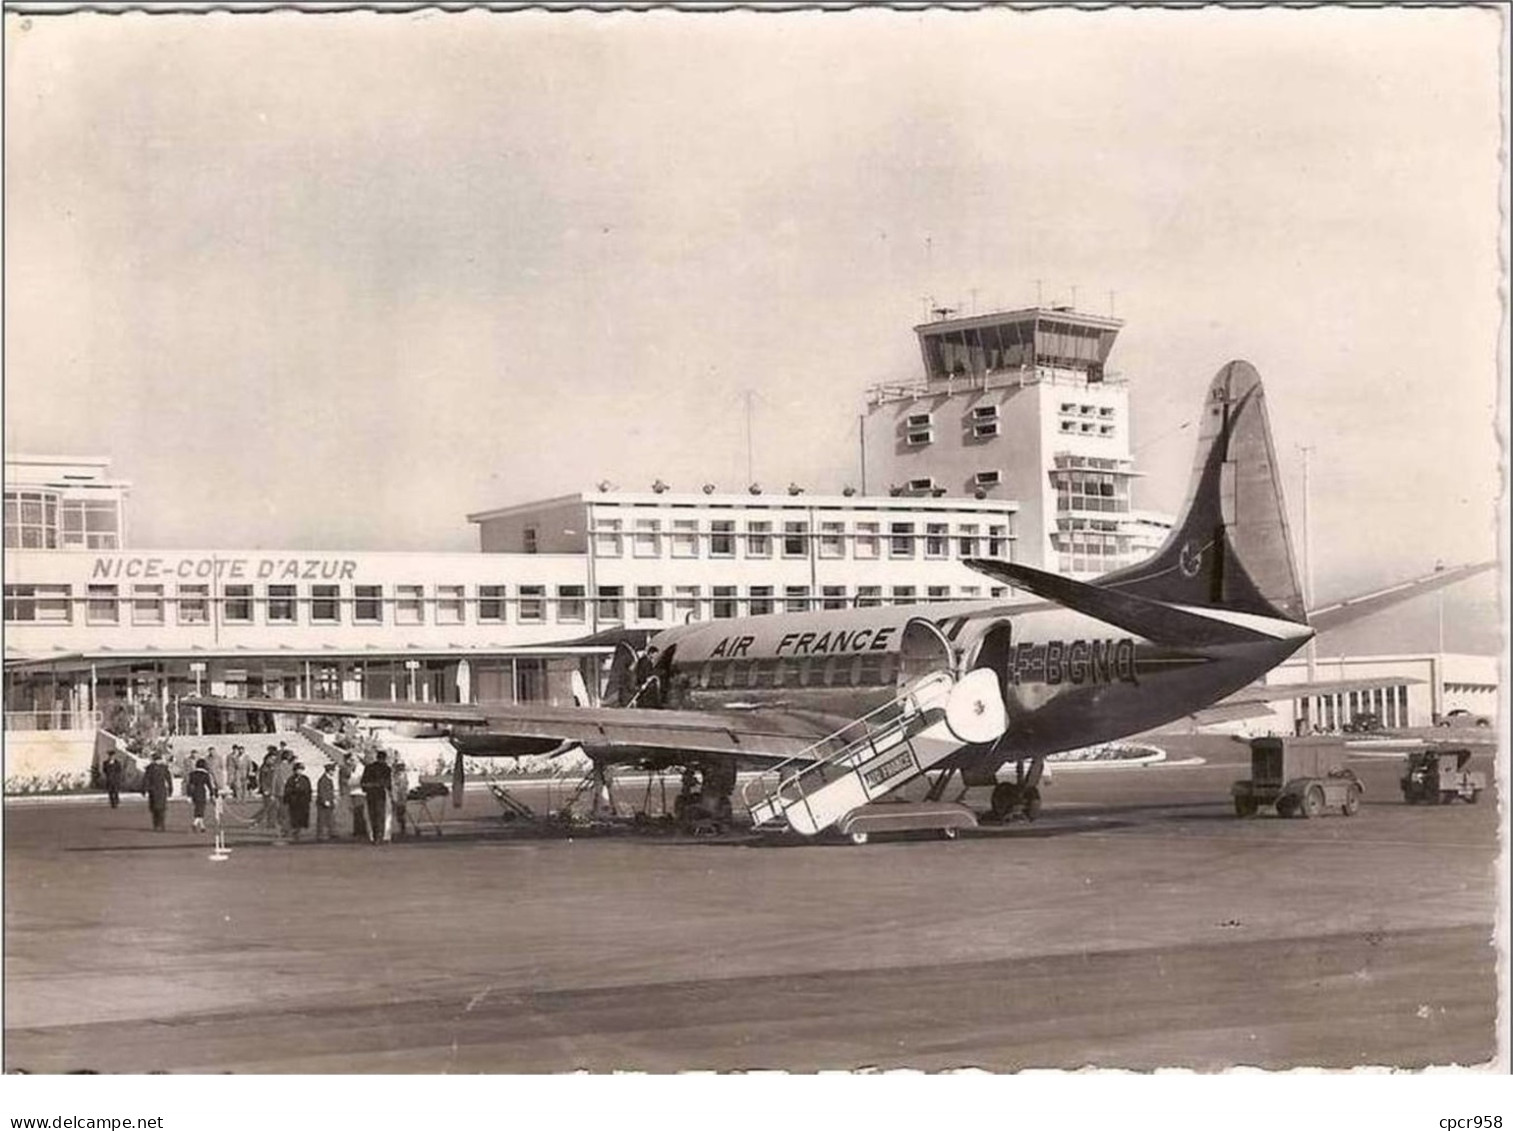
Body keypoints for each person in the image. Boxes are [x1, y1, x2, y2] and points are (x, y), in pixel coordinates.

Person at [360, 751, 393, 845]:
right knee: (381, 816)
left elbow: (363, 783)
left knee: (372, 816)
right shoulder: (386, 768)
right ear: (384, 758)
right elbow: (388, 783)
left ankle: (374, 836)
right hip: (381, 794)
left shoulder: (368, 767)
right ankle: (381, 836)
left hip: (370, 794)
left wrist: (368, 787)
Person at [141, 751, 173, 832]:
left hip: (153, 790)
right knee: (161, 808)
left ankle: (156, 824)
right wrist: (170, 789)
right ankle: (161, 825)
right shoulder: (164, 767)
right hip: (161, 790)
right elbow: (169, 779)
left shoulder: (150, 768)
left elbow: (146, 779)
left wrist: (144, 790)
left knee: (155, 809)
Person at [284, 761, 312, 842]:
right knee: (294, 817)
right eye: (298, 770)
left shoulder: (305, 779)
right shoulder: (291, 779)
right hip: (294, 802)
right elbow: (288, 790)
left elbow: (308, 790)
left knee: (302, 817)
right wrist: (294, 792)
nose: (299, 771)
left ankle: (300, 831)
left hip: (303, 802)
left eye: (301, 770)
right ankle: (295, 831)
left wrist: (308, 799)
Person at [186, 757, 216, 833]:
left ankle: (202, 826)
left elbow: (189, 785)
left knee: (198, 808)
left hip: (194, 793)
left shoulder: (192, 774)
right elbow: (209, 785)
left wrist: (189, 795)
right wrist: (212, 794)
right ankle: (195, 823)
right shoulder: (205, 774)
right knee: (201, 809)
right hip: (201, 792)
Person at [271, 750, 294, 840]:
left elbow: (274, 780)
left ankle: (281, 830)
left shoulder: (278, 767)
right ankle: (287, 830)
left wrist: (273, 793)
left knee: (281, 813)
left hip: (280, 792)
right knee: (288, 812)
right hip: (288, 793)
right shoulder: (290, 767)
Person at [315, 763, 338, 842]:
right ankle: (320, 835)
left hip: (329, 801)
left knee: (330, 818)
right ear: (329, 771)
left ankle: (331, 832)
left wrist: (333, 799)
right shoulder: (323, 780)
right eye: (333, 771)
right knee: (322, 819)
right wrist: (325, 800)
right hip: (324, 802)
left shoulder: (328, 779)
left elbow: (330, 791)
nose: (334, 773)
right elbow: (321, 791)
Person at [390, 760, 411, 840]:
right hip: (396, 796)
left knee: (400, 813)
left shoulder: (402, 776)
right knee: (397, 814)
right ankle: (399, 829)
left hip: (400, 797)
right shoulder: (395, 775)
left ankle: (402, 829)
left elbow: (403, 787)